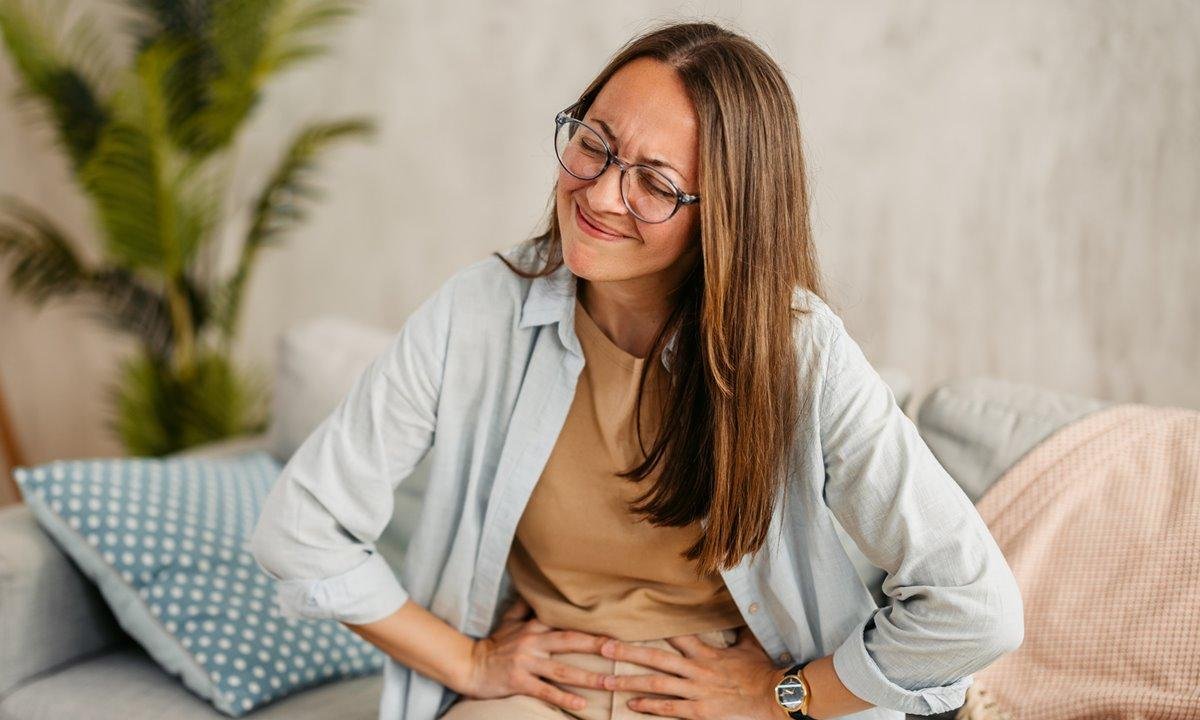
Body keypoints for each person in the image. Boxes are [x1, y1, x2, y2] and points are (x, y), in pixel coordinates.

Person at [249, 19, 1024, 720]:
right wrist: (470, 661)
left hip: (725, 693)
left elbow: (973, 604)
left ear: (725, 214)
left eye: (654, 183)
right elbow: (302, 527)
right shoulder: (476, 312)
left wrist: (786, 694)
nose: (601, 194)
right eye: (595, 143)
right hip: (545, 688)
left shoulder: (799, 351)